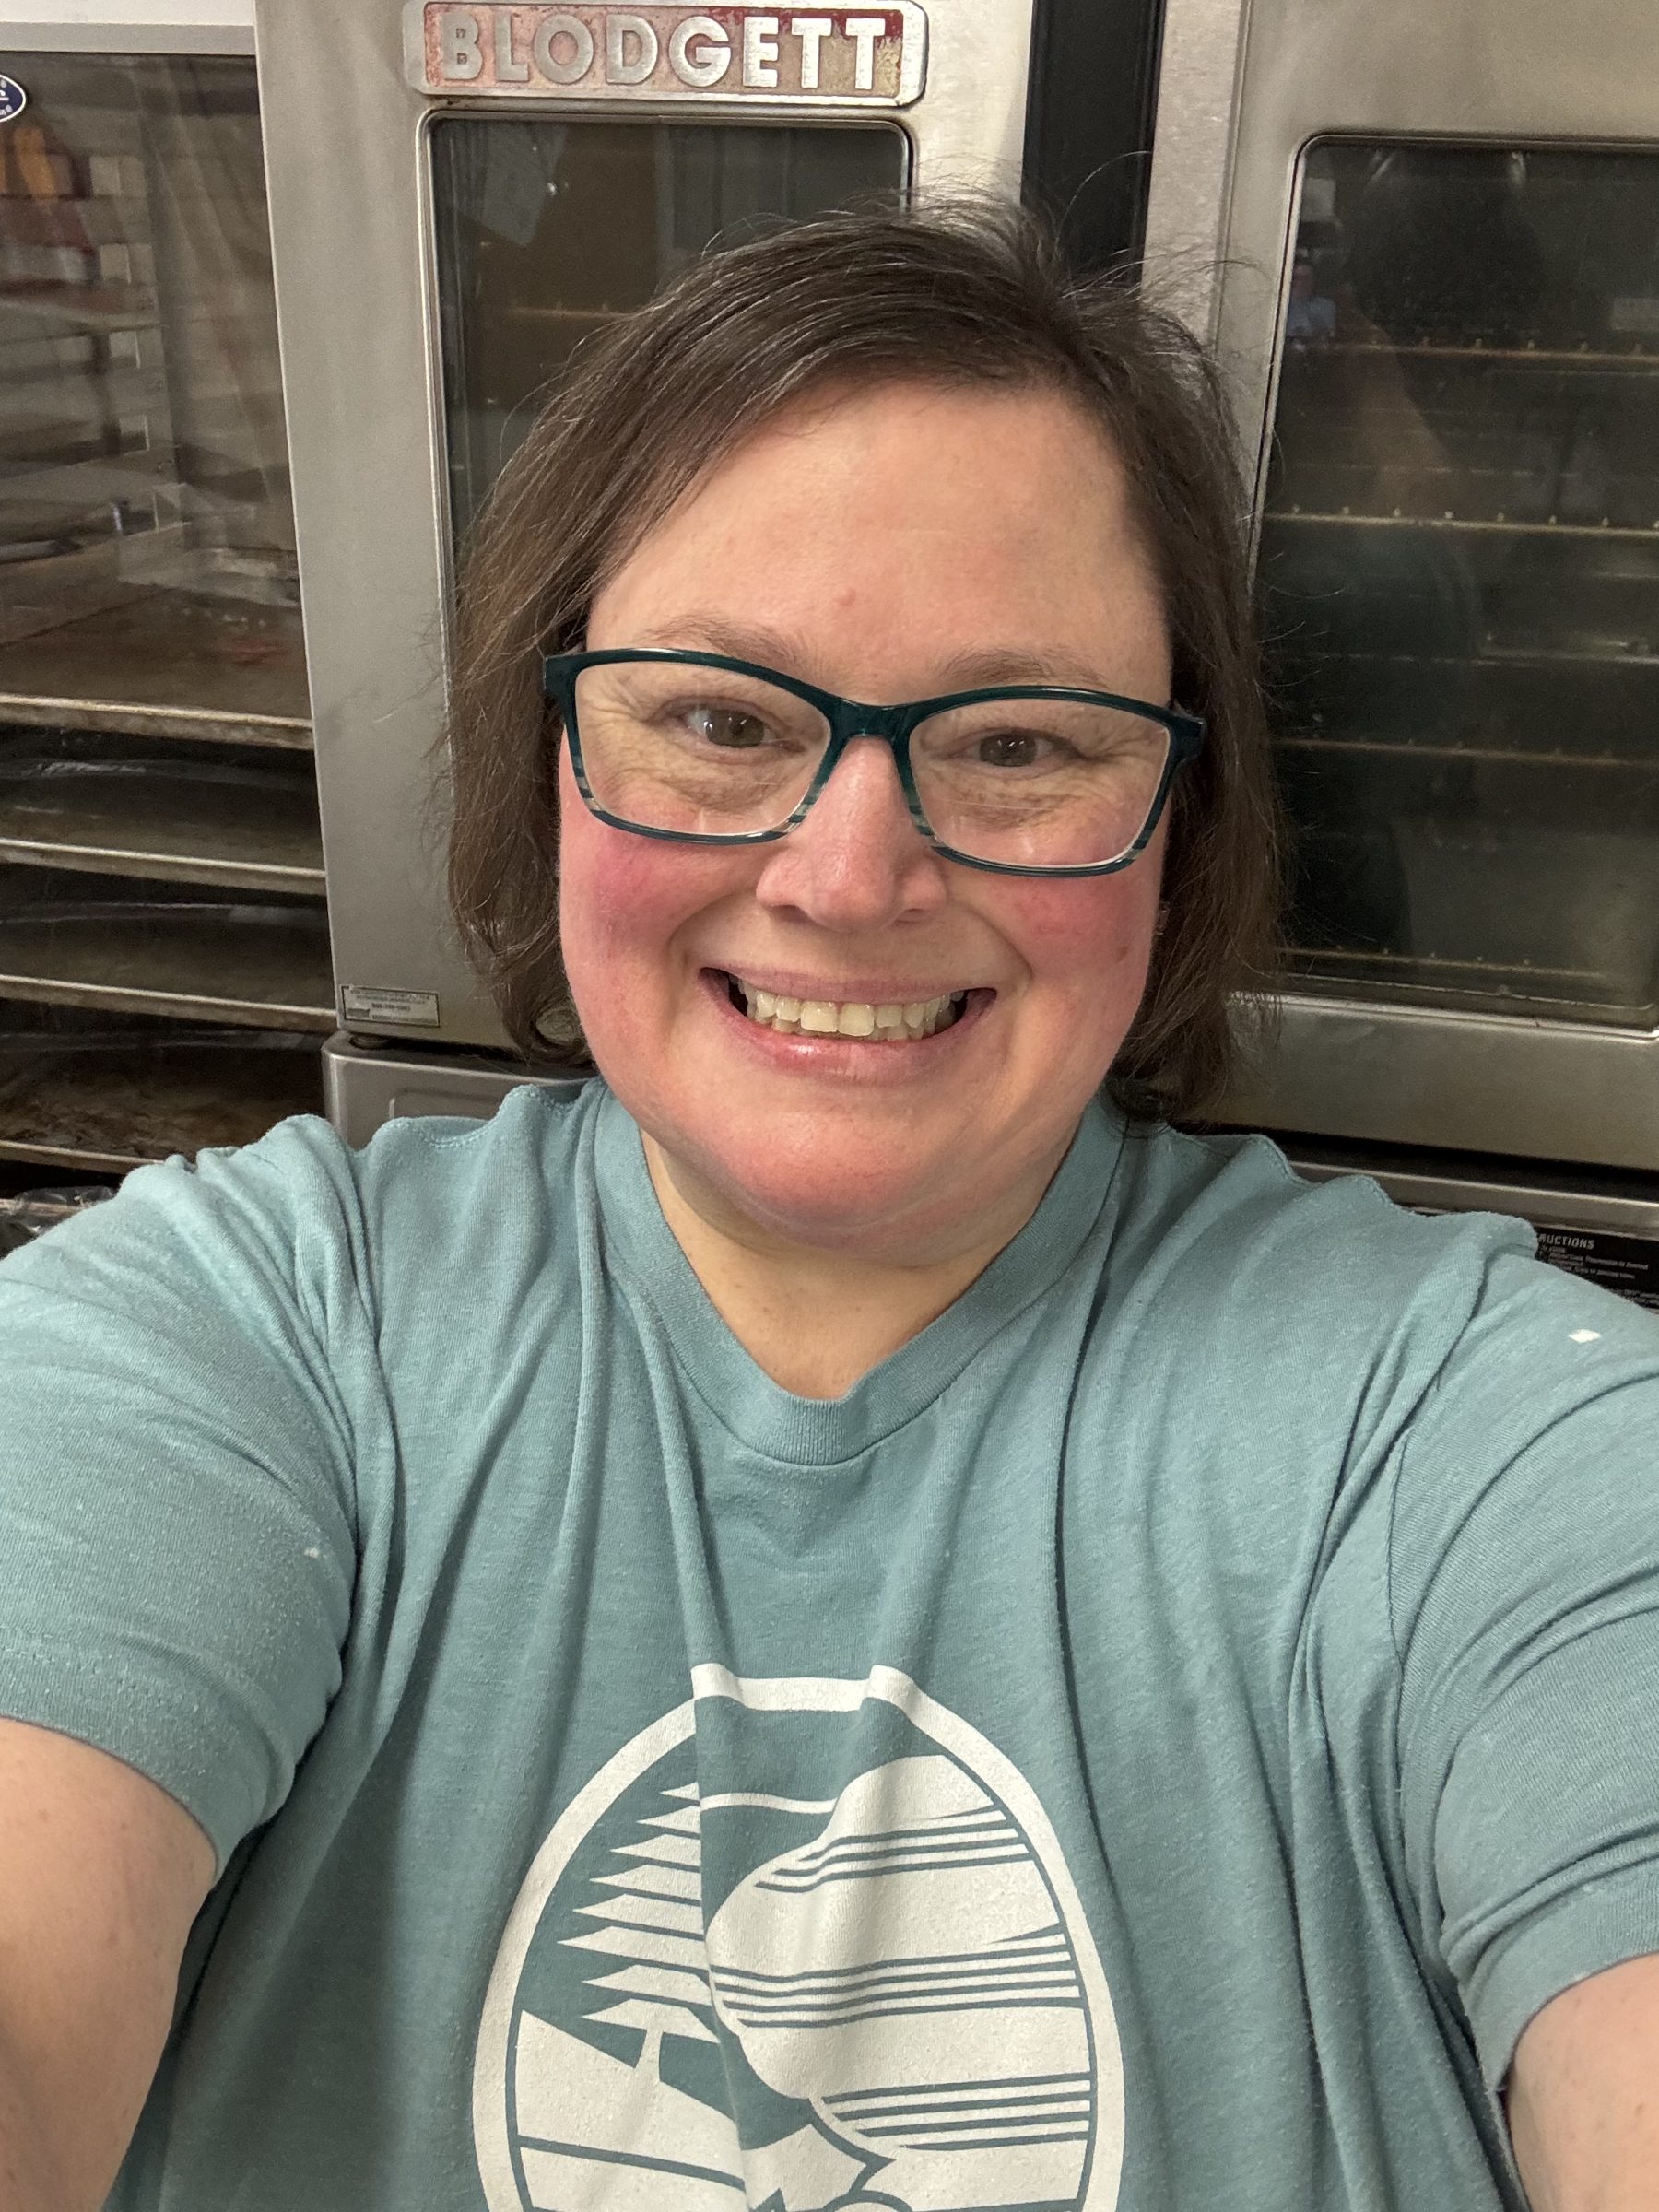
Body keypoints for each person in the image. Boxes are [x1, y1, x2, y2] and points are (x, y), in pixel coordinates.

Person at [0, 204, 1656, 2212]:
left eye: (1023, 742)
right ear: (555, 759)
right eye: (717, 719)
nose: (849, 874)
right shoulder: (236, 1337)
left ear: (1177, 828)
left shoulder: (1476, 1435)